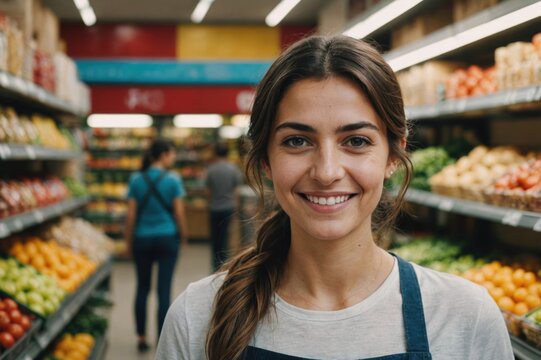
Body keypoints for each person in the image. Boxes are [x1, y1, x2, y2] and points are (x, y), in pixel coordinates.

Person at [155, 35, 514, 359]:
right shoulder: (198, 317)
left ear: (393, 156)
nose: (327, 172)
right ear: (265, 159)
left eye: (356, 141)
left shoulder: (465, 317)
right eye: (297, 141)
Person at [124, 138, 189, 352]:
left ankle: (141, 337)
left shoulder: (136, 179)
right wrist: (183, 235)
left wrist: (128, 240)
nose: (173, 158)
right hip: (167, 238)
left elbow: (131, 215)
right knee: (164, 290)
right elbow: (179, 212)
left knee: (142, 288)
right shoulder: (172, 180)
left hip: (142, 238)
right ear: (163, 155)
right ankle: (162, 338)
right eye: (172, 153)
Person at [204, 142, 243, 270]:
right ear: (227, 153)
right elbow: (236, 191)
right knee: (226, 237)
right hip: (228, 207)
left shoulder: (211, 169)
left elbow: (207, 192)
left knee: (215, 238)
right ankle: (224, 265)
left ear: (215, 154)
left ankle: (214, 266)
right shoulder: (233, 169)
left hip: (214, 207)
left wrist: (209, 203)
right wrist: (236, 208)